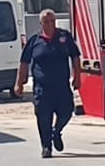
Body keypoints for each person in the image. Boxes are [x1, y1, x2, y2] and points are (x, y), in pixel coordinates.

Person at [16, 9, 81, 158]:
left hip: (61, 85)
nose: (50, 24)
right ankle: (46, 146)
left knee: (66, 112)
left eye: (52, 21)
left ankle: (56, 131)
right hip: (42, 87)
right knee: (43, 117)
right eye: (46, 21)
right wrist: (19, 83)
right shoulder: (35, 41)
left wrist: (77, 76)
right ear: (41, 23)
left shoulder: (64, 37)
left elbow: (75, 56)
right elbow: (24, 62)